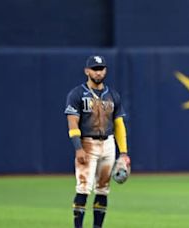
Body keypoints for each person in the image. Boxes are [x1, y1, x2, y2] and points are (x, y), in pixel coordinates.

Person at [64, 55, 130, 228]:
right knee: (84, 187)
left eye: (101, 69)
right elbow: (72, 122)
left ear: (105, 70)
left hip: (108, 144)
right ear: (87, 71)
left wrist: (123, 153)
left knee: (103, 189)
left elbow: (119, 124)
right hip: (87, 143)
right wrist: (78, 147)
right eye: (94, 69)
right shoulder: (77, 94)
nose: (98, 72)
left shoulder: (112, 95)